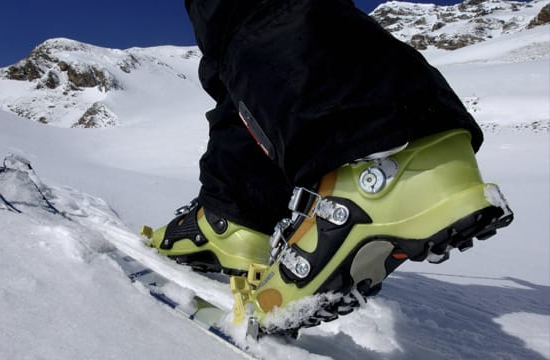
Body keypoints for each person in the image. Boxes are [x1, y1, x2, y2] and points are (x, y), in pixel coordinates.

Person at [146, 0, 514, 333]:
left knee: (240, 11)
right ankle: (239, 216)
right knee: (234, 54)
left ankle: (383, 154)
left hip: (377, 136)